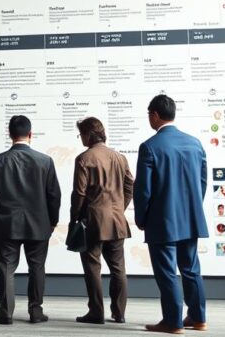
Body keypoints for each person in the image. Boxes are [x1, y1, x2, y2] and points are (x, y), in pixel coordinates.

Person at [134, 95, 209, 334]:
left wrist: (141, 218)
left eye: (149, 114)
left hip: (162, 221)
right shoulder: (195, 143)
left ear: (155, 115)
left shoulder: (150, 146)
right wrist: (192, 208)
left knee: (167, 272)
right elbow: (202, 182)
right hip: (191, 218)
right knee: (191, 269)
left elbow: (143, 189)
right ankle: (198, 319)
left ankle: (173, 322)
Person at [0, 115, 61, 325]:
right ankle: (36, 312)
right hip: (39, 224)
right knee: (37, 268)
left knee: (6, 268)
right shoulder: (45, 161)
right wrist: (52, 221)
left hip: (5, 224)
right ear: (30, 134)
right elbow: (54, 195)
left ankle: (6, 313)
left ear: (10, 134)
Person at [71, 117, 134, 324]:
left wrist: (74, 219)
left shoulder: (84, 158)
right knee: (118, 268)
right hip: (117, 220)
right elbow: (129, 186)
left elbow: (79, 194)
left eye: (81, 134)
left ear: (88, 134)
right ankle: (119, 313)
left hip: (93, 221)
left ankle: (96, 312)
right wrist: (119, 207)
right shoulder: (120, 157)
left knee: (92, 267)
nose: (80, 138)